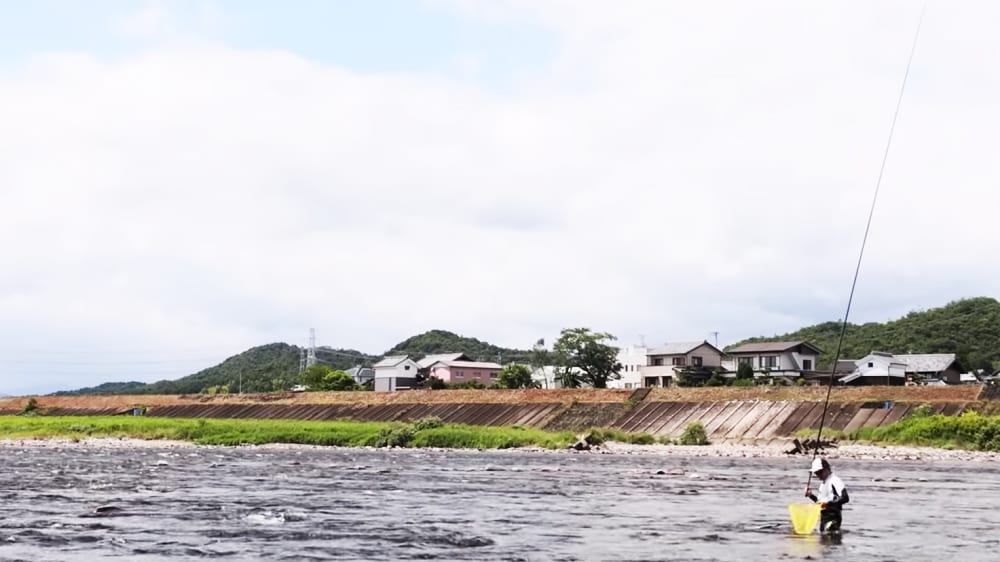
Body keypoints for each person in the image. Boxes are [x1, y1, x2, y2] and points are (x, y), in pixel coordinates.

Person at [805, 457, 849, 534]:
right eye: (816, 473)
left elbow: (845, 498)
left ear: (826, 469)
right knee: (823, 541)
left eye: (819, 472)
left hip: (833, 518)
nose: (818, 475)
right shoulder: (823, 484)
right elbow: (820, 503)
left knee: (829, 539)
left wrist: (829, 504)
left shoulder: (835, 480)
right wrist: (810, 495)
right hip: (824, 519)